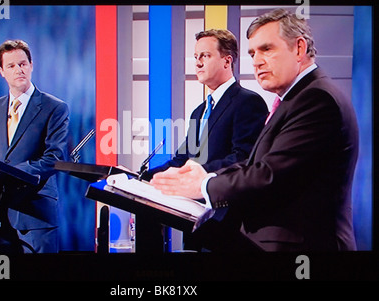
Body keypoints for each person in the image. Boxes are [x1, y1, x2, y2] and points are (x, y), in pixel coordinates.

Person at [151, 9, 359, 252]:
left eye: (267, 49)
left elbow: (269, 175)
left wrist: (203, 185)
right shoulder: (295, 99)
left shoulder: (316, 99)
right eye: (252, 53)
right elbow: (255, 164)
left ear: (299, 49)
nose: (257, 61)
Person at [139, 29, 268, 252]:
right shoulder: (199, 112)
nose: (197, 63)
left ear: (227, 61)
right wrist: (140, 178)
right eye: (196, 57)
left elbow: (243, 157)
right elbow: (182, 159)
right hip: (195, 220)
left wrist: (195, 176)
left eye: (205, 56)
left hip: (229, 221)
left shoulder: (248, 102)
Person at [0, 40, 69, 253]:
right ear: (1, 71)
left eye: (22, 64)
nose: (18, 69)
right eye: (11, 66)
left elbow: (53, 159)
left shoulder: (54, 107)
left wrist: (9, 172)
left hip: (35, 213)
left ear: (31, 65)